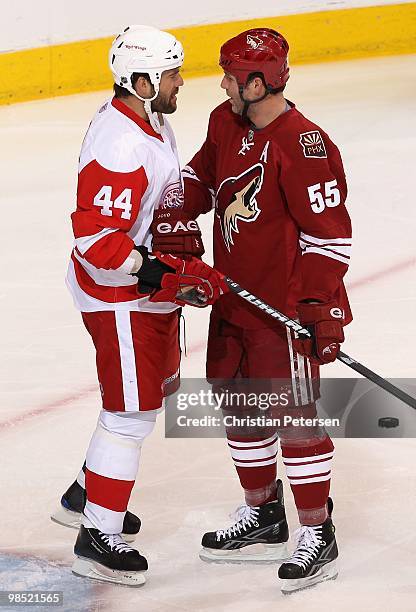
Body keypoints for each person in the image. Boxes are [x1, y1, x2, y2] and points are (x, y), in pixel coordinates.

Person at [174, 28, 352, 593]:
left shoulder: (305, 145)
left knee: (295, 422)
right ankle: (264, 514)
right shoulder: (225, 122)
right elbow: (199, 181)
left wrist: (317, 309)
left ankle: (317, 533)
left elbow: (329, 239)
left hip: (284, 313)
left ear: (257, 83)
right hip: (230, 301)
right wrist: (167, 217)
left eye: (231, 76)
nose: (222, 84)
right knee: (238, 406)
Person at [55, 24, 223, 587]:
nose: (181, 82)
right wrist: (159, 273)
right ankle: (97, 536)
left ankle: (85, 493)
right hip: (117, 294)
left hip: (137, 289)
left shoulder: (152, 121)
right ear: (142, 81)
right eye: (172, 73)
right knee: (130, 413)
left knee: (155, 390)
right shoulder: (118, 143)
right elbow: (97, 243)